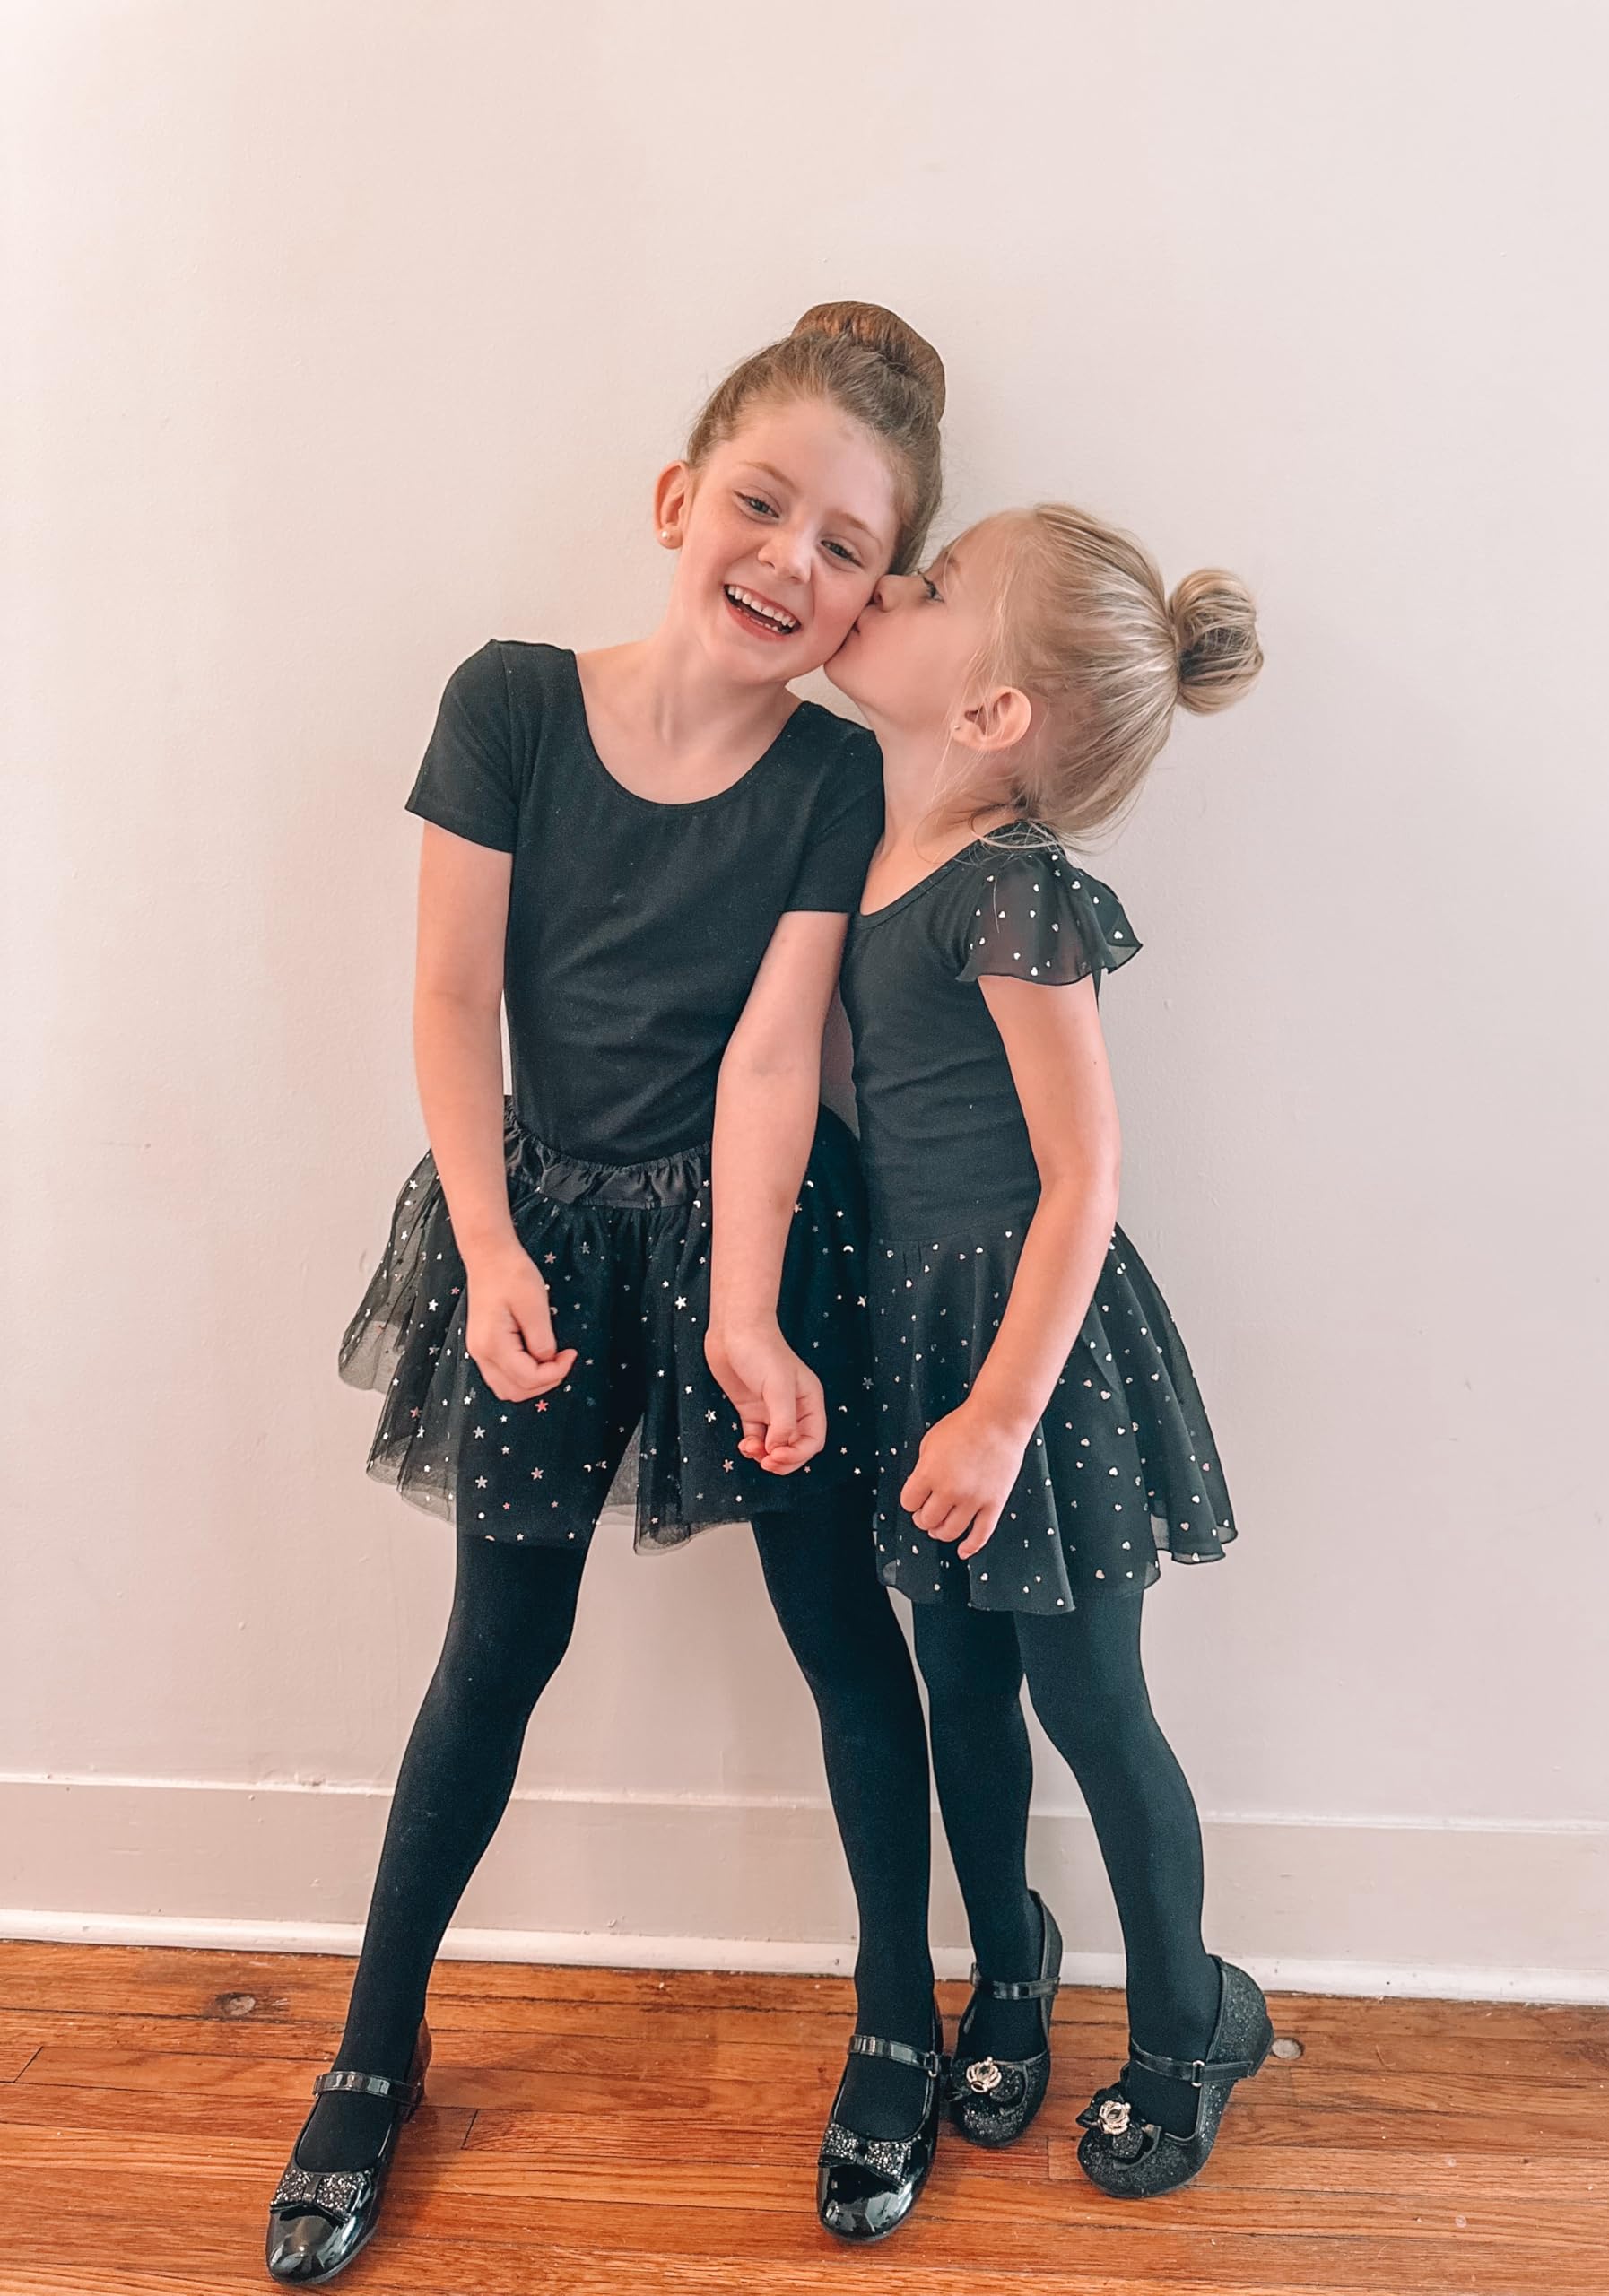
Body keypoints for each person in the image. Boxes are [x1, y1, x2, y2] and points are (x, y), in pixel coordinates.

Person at [265, 302, 947, 2285]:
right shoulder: (509, 705)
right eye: (762, 504)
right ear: (677, 498)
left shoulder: (833, 779)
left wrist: (746, 1308)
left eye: (844, 546)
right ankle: (373, 2047)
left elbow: (775, 1056)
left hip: (761, 1238)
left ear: (872, 594)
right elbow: (451, 994)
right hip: (540, 1231)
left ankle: (896, 2013)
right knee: (496, 1644)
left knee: (841, 1629)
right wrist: (488, 1247)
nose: (790, 561)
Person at [810, 501, 1271, 2204]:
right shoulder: (866, 847)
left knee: (1089, 1698)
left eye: (926, 585)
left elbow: (1085, 1174)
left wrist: (1003, 1413)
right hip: (918, 1337)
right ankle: (1010, 1964)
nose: (884, 587)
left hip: (1032, 1362)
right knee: (960, 1686)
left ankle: (1187, 2023)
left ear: (991, 710)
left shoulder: (1011, 891)